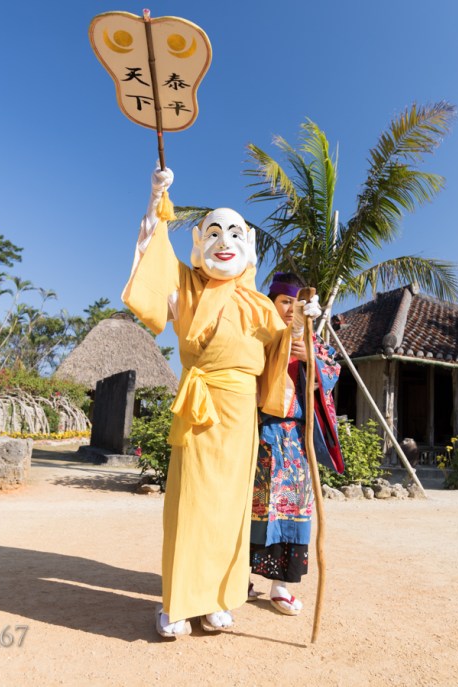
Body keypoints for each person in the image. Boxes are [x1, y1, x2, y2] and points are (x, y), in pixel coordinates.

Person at [122, 167, 321, 638]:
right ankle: (176, 602)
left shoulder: (257, 303)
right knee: (190, 505)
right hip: (198, 407)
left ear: (248, 243)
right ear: (198, 240)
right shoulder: (185, 285)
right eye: (214, 232)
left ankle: (216, 600)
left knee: (230, 510)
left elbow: (285, 349)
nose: (224, 241)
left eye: (234, 232)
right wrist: (156, 200)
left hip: (240, 419)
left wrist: (308, 320)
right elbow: (152, 256)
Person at [249, 273, 343, 616]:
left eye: (296, 303)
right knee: (247, 512)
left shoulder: (313, 342)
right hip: (257, 436)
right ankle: (237, 580)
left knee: (291, 513)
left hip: (295, 442)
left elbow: (332, 373)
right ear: (272, 303)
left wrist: (310, 360)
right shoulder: (259, 336)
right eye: (285, 302)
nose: (291, 309)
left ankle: (280, 587)